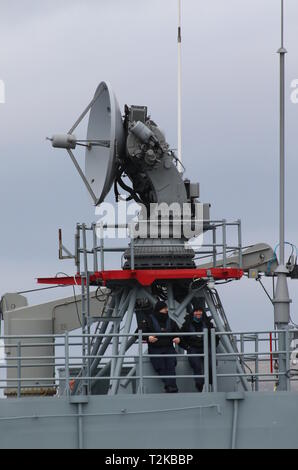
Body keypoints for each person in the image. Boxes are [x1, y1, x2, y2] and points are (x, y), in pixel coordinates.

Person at [141, 300, 181, 393]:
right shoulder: (148, 320)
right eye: (164, 308)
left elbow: (178, 333)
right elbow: (138, 333)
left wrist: (178, 338)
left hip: (168, 347)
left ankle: (170, 386)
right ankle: (171, 386)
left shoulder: (171, 322)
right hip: (155, 348)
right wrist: (148, 337)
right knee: (160, 366)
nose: (166, 310)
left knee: (171, 365)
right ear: (159, 309)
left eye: (166, 308)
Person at [180, 302, 218, 392]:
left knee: (211, 364)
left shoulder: (208, 323)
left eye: (200, 311)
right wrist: (187, 347)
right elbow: (181, 337)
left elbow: (215, 337)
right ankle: (200, 385)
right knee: (196, 365)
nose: (198, 313)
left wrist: (212, 346)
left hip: (206, 347)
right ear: (193, 312)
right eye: (196, 311)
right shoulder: (187, 324)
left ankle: (210, 383)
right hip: (193, 348)